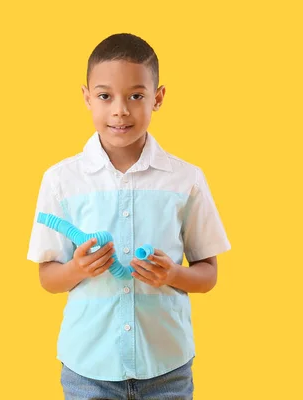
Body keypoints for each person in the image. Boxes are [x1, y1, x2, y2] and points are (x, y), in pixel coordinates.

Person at [26, 33, 231, 400]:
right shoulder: (61, 180)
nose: (120, 110)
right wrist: (77, 269)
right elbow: (48, 278)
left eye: (136, 96)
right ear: (87, 98)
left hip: (166, 368)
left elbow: (208, 274)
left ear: (158, 98)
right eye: (105, 96)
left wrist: (174, 274)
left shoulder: (187, 180)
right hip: (88, 369)